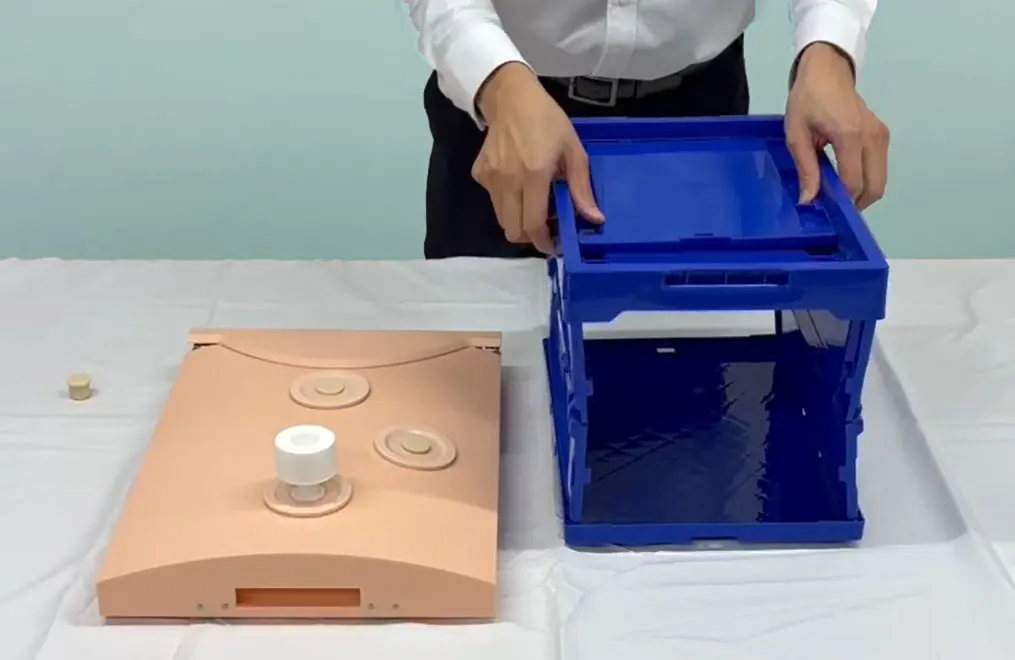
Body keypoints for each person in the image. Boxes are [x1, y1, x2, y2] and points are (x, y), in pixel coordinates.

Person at [407, 1, 889, 259]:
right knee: (480, 369)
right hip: (504, 111)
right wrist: (498, 84)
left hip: (701, 117)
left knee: (698, 358)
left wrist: (829, 50)